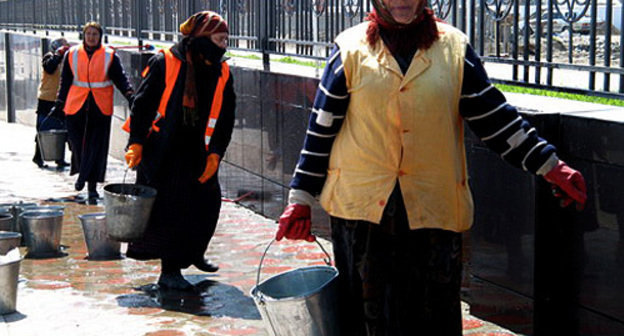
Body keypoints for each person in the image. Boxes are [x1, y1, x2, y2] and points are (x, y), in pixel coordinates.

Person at [275, 0, 587, 335]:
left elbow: (495, 118)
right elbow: (321, 129)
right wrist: (300, 198)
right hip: (363, 215)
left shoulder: (454, 49)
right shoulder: (349, 50)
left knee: (432, 314)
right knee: (368, 317)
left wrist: (551, 165)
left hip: (433, 212)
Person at [123, 11, 235, 290]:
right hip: (164, 149)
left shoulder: (221, 71)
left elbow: (227, 117)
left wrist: (216, 153)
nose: (224, 46)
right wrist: (136, 142)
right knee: (170, 210)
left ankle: (193, 253)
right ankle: (169, 271)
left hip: (199, 148)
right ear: (202, 37)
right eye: (220, 39)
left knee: (208, 204)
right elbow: (142, 104)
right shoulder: (166, 62)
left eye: (225, 40)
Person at [53, 22, 134, 205]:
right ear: (83, 35)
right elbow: (65, 80)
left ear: (100, 36)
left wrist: (129, 94)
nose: (91, 37)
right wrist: (60, 101)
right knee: (76, 144)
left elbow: (120, 78)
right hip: (76, 106)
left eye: (95, 34)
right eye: (88, 33)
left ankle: (90, 187)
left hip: (100, 106)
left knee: (96, 147)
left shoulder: (109, 55)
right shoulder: (71, 54)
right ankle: (83, 172)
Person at [33, 37, 70, 170]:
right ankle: (38, 156)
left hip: (60, 99)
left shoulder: (67, 61)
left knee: (62, 128)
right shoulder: (49, 57)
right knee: (43, 128)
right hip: (46, 99)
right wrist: (58, 55)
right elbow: (49, 68)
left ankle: (60, 158)